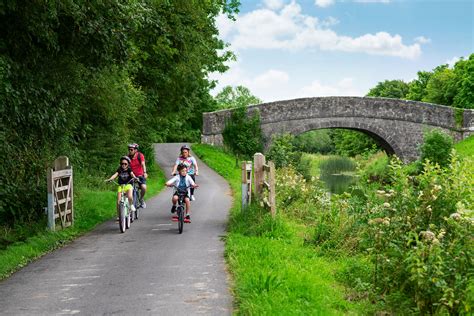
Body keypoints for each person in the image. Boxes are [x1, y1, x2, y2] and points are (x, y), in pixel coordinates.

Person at [128, 143, 147, 208]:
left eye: (131, 149)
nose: (130, 151)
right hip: (130, 176)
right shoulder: (127, 157)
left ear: (136, 150)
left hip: (140, 175)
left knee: (143, 187)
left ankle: (141, 199)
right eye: (129, 149)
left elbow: (143, 164)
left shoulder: (140, 155)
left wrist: (144, 172)